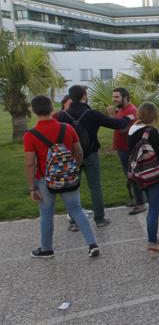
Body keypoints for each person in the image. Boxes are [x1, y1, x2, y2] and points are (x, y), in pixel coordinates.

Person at [24, 95, 100, 259]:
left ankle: (46, 249)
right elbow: (79, 152)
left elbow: (30, 163)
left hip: (44, 179)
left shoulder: (30, 135)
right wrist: (74, 168)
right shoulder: (67, 128)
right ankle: (92, 244)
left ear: (33, 110)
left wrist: (32, 187)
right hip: (68, 177)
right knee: (76, 210)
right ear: (52, 108)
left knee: (46, 213)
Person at [57, 85, 131, 229]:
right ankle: (99, 219)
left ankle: (74, 222)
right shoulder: (91, 114)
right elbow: (117, 124)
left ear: (70, 97)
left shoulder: (62, 115)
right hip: (90, 154)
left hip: (71, 156)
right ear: (84, 96)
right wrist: (129, 117)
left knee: (72, 188)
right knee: (95, 186)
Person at [128, 102, 159, 258]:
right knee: (153, 210)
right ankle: (152, 245)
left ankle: (153, 238)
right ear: (153, 115)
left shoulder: (132, 130)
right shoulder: (151, 132)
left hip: (140, 175)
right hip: (153, 175)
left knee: (151, 208)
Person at [107, 87, 146, 216]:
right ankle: (137, 199)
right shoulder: (123, 110)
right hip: (122, 148)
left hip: (128, 149)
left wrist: (112, 116)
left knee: (133, 175)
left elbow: (123, 130)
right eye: (113, 97)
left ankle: (140, 203)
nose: (114, 99)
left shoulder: (132, 111)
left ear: (125, 97)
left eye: (117, 97)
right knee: (130, 176)